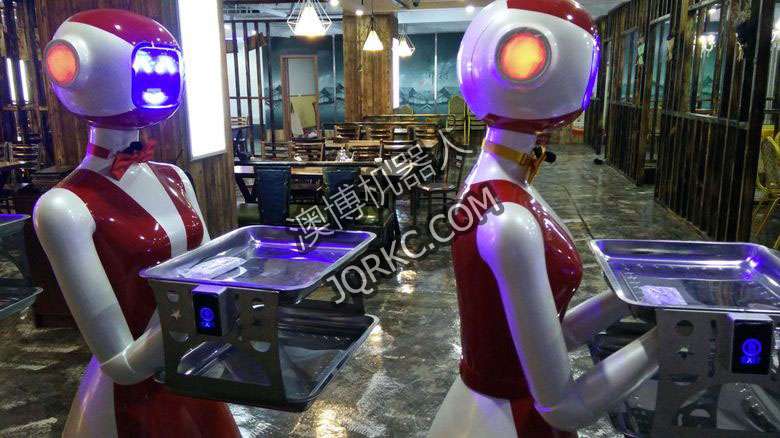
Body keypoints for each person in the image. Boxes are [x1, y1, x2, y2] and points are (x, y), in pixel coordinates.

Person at [429, 1, 659, 436]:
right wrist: (674, 337)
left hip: (483, 413)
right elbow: (561, 407)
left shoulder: (492, 187)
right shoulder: (508, 218)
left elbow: (550, 335)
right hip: (510, 422)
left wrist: (629, 298)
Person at [33, 9, 240, 437]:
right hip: (134, 396)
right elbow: (121, 364)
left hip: (193, 368)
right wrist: (203, 317)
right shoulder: (63, 207)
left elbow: (213, 268)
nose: (161, 76)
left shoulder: (174, 177)